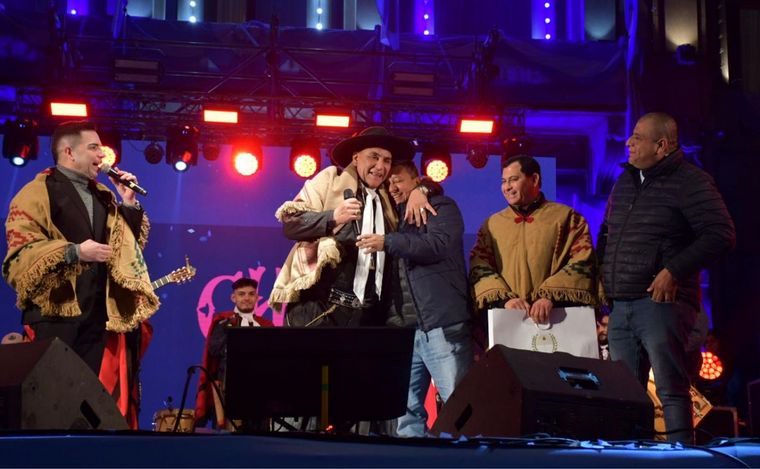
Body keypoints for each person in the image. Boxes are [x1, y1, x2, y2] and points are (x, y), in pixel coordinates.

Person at [598, 112, 735, 443]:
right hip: (622, 303)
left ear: (661, 146)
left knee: (671, 389)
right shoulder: (626, 181)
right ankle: (628, 459)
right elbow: (606, 233)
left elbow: (721, 234)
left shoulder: (691, 181)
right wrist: (603, 277)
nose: (628, 142)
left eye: (637, 137)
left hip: (661, 303)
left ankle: (680, 459)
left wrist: (673, 271)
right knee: (625, 394)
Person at [3, 120, 159, 375]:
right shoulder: (37, 192)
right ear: (69, 152)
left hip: (94, 313)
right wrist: (74, 251)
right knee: (51, 394)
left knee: (83, 398)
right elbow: (21, 251)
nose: (101, 154)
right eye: (94, 147)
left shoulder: (102, 195)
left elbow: (124, 246)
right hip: (55, 313)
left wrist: (128, 203)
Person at [269, 126, 431, 328]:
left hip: (368, 317)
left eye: (386, 160)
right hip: (320, 310)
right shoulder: (330, 179)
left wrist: (420, 190)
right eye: (374, 156)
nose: (380, 166)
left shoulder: (389, 197)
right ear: (356, 158)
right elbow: (291, 224)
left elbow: (422, 186)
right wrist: (333, 217)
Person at [357, 161, 472, 437]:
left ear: (416, 180)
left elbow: (437, 245)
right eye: (389, 183)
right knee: (406, 416)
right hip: (406, 332)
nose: (392, 187)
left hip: (441, 325)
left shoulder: (441, 207)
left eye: (399, 181)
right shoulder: (393, 218)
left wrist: (389, 241)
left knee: (462, 409)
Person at [469, 155, 599, 352]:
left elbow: (583, 260)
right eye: (503, 181)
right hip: (508, 324)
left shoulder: (566, 218)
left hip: (558, 321)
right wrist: (506, 300)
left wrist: (549, 297)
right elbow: (480, 265)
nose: (507, 187)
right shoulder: (492, 225)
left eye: (514, 179)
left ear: (534, 179)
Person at [195, 277, 273, 429]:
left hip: (259, 390)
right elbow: (214, 350)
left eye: (251, 294)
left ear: (257, 298)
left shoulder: (266, 325)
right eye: (241, 294)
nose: (246, 298)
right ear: (233, 297)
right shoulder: (222, 321)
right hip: (228, 389)